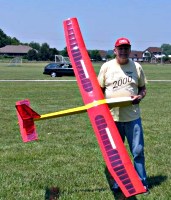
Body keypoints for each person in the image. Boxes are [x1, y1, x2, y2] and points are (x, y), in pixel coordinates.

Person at [97, 37, 149, 194]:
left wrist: (139, 97)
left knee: (138, 152)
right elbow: (99, 90)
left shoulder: (137, 67)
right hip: (112, 119)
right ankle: (118, 183)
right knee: (116, 154)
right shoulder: (106, 67)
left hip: (133, 118)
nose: (123, 51)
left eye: (126, 48)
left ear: (130, 50)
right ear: (115, 50)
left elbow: (143, 88)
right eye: (120, 48)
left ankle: (142, 184)